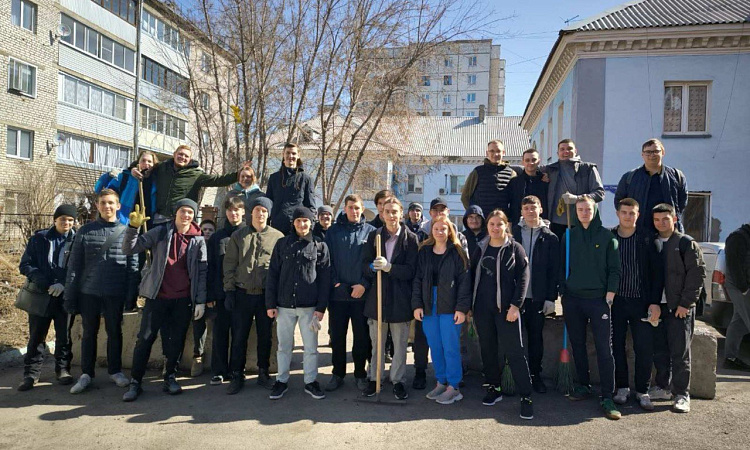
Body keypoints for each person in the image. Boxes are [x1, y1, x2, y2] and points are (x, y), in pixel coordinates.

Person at [121, 198, 208, 401]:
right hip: (157, 297)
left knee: (176, 341)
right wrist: (133, 228)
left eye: (190, 212)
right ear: (176, 213)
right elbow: (129, 249)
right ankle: (135, 382)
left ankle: (170, 377)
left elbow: (202, 272)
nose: (186, 215)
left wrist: (200, 300)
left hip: (183, 299)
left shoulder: (198, 239)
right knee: (145, 339)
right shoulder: (160, 232)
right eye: (183, 211)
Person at [64, 189, 138, 394]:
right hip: (89, 292)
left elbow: (133, 267)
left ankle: (116, 371)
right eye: (103, 203)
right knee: (89, 333)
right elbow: (74, 266)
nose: (107, 206)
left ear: (118, 206)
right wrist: (70, 296)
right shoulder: (85, 231)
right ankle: (86, 373)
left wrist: (131, 296)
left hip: (115, 291)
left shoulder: (127, 232)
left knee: (115, 332)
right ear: (97, 205)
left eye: (111, 203)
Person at [560, 195, 621, 420]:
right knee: (577, 344)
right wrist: (562, 290)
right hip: (573, 300)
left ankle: (607, 396)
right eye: (580, 210)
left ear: (595, 211)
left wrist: (610, 293)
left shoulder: (607, 237)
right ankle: (583, 385)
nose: (584, 213)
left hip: (598, 301)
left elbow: (615, 269)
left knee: (604, 348)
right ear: (575, 212)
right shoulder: (568, 235)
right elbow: (561, 265)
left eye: (588, 209)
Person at [471, 210, 533, 419]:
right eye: (492, 224)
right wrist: (469, 306)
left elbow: (524, 278)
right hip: (482, 309)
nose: (495, 228)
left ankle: (526, 396)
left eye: (499, 224)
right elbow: (471, 275)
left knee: (515, 352)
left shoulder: (515, 249)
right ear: (487, 226)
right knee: (488, 350)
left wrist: (516, 306)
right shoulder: (481, 247)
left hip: (507, 311)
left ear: (506, 225)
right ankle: (494, 387)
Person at [266, 207, 331, 400]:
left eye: (306, 221)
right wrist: (270, 304)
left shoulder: (320, 246)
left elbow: (325, 279)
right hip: (284, 306)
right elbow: (273, 274)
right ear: (293, 223)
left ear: (311, 223)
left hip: (309, 307)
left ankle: (310, 381)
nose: (302, 224)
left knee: (310, 348)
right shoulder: (282, 244)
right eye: (298, 221)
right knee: (284, 347)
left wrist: (321, 307)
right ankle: (281, 381)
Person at [223, 197, 284, 394]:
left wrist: (277, 297)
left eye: (264, 211)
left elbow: (281, 268)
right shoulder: (239, 236)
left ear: (269, 214)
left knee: (265, 336)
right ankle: (236, 374)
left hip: (266, 296)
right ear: (251, 213)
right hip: (242, 294)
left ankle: (263, 372)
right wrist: (229, 290)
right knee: (239, 336)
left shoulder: (277, 237)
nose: (260, 214)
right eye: (257, 210)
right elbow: (230, 264)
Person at [650, 203, 706, 413]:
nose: (661, 223)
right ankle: (663, 387)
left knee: (680, 353)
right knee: (660, 350)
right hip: (658, 307)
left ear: (674, 219)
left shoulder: (685, 243)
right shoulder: (653, 242)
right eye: (657, 219)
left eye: (665, 219)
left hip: (679, 307)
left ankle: (682, 393)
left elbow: (697, 274)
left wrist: (685, 303)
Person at [361, 197, 418, 400]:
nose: (391, 215)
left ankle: (398, 381)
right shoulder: (375, 236)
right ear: (382, 214)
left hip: (400, 301)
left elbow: (411, 271)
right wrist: (372, 267)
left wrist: (390, 268)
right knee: (377, 345)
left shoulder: (410, 239)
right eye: (387, 211)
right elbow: (364, 265)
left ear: (401, 213)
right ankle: (375, 378)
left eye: (395, 211)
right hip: (377, 300)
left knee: (400, 347)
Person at [17, 205, 77, 391]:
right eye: (63, 219)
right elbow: (26, 264)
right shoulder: (39, 239)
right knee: (37, 335)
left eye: (70, 220)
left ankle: (62, 369)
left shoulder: (78, 240)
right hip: (41, 295)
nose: (66, 223)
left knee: (64, 336)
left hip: (65, 297)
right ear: (55, 219)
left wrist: (64, 283)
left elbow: (80, 267)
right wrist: (43, 281)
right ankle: (31, 374)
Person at [412, 216, 471, 404]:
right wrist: (417, 305)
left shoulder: (458, 252)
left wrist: (461, 308)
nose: (439, 232)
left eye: (443, 229)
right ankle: (441, 381)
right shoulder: (424, 252)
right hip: (429, 304)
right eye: (436, 228)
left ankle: (454, 386)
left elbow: (464, 282)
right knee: (435, 345)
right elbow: (418, 279)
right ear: (431, 231)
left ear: (449, 231)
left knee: (450, 346)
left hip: (450, 305)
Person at [610, 198, 661, 410]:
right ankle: (622, 387)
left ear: (638, 215)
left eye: (632, 213)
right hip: (616, 302)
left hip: (641, 302)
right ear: (618, 214)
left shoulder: (648, 239)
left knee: (644, 348)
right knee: (617, 346)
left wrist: (654, 303)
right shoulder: (609, 237)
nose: (628, 216)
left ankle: (642, 390)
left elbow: (657, 274)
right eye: (624, 212)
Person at [324, 194, 376, 391]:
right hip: (338, 295)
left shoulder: (371, 232)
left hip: (361, 295)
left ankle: (360, 374)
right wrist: (336, 284)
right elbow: (327, 261)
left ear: (362, 209)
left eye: (357, 208)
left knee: (361, 338)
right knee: (337, 337)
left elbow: (374, 263)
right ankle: (337, 374)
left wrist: (364, 284)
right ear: (344, 209)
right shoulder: (333, 232)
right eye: (350, 207)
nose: (354, 211)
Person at [511, 195, 559, 393]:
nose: (530, 211)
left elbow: (554, 270)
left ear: (541, 209)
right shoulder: (512, 233)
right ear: (521, 211)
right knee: (514, 339)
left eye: (534, 207)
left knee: (535, 339)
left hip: (537, 297)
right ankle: (516, 376)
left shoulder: (550, 237)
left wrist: (550, 298)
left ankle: (535, 376)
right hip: (515, 298)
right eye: (526, 208)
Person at [131, 145, 244, 222]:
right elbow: (145, 167)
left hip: (181, 220)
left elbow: (218, 180)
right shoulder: (162, 167)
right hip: (160, 217)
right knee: (157, 249)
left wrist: (239, 175)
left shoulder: (195, 174)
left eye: (186, 156)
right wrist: (133, 168)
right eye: (180, 154)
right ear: (174, 154)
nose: (182, 157)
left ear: (190, 159)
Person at [206, 196, 247, 385]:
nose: (233, 213)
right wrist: (210, 295)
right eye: (230, 210)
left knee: (240, 334)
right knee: (220, 333)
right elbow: (211, 267)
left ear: (243, 212)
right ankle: (219, 370)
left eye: (237, 210)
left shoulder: (249, 234)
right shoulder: (217, 237)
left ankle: (237, 370)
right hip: (221, 294)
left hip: (243, 293)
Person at [614, 139, 688, 233]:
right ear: (642, 154)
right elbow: (619, 202)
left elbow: (682, 203)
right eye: (648, 152)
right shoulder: (629, 178)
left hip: (667, 233)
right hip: (638, 231)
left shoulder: (677, 176)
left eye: (656, 151)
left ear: (663, 152)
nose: (652, 155)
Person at [545, 139, 605, 240]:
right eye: (562, 149)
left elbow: (600, 193)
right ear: (557, 153)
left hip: (581, 222)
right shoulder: (551, 169)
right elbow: (529, 168)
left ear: (575, 151)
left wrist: (578, 198)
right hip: (556, 224)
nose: (566, 152)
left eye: (569, 149)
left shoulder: (587, 168)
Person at [95, 150, 158, 225]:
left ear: (154, 164)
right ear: (138, 162)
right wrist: (108, 176)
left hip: (143, 221)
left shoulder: (155, 182)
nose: (146, 163)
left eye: (149, 161)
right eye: (143, 160)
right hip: (121, 220)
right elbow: (101, 190)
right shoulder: (126, 176)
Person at [266, 143, 316, 235]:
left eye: (293, 153)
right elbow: (268, 203)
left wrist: (310, 228)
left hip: (297, 229)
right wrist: (266, 226)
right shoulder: (274, 178)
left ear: (298, 155)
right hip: (276, 228)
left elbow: (310, 207)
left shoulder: (306, 179)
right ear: (283, 154)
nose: (290, 156)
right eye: (288, 153)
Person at [461, 139, 517, 217]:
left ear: (503, 152)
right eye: (492, 151)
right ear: (487, 153)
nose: (495, 154)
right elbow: (465, 197)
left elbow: (515, 200)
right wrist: (474, 214)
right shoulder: (477, 172)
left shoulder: (511, 174)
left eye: (498, 151)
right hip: (481, 221)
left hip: (501, 221)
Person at [723, 223, 750, 371]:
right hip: (740, 286)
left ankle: (730, 358)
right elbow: (734, 265)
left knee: (739, 323)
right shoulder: (738, 238)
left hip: (743, 286)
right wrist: (743, 288)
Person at [508, 148, 548, 226]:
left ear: (539, 161)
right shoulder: (514, 182)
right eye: (527, 160)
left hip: (540, 224)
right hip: (519, 225)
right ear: (522, 162)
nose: (531, 163)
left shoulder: (545, 182)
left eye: (534, 160)